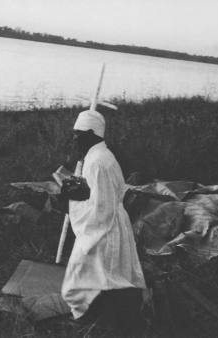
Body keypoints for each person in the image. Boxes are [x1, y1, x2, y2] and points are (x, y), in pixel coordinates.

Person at [61, 109, 146, 329]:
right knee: (107, 274)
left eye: (77, 133)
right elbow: (99, 195)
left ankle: (90, 318)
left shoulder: (98, 162)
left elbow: (102, 207)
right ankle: (105, 316)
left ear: (91, 133)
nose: (73, 138)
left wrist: (85, 230)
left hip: (103, 227)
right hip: (109, 223)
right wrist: (78, 192)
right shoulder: (97, 156)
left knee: (80, 277)